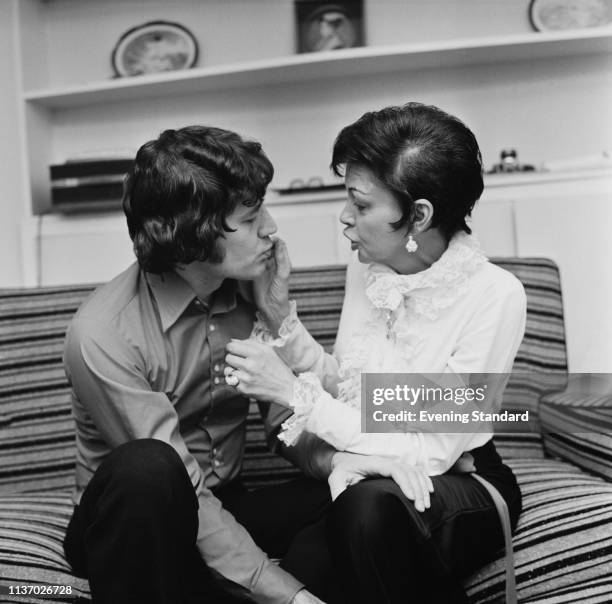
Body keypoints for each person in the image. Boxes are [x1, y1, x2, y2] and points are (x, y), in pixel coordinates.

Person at [224, 102, 527, 604]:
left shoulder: (495, 295)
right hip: (376, 474)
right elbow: (356, 392)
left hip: (462, 479)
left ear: (419, 215)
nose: (345, 218)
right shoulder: (366, 272)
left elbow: (430, 452)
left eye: (361, 206)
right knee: (245, 530)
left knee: (361, 515)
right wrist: (281, 318)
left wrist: (292, 393)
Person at [61, 125, 371, 604]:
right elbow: (180, 485)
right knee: (150, 468)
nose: (270, 228)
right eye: (250, 220)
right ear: (192, 239)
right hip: (136, 518)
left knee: (367, 500)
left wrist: (276, 316)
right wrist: (291, 597)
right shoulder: (102, 334)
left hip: (226, 501)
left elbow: (287, 423)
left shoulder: (249, 286)